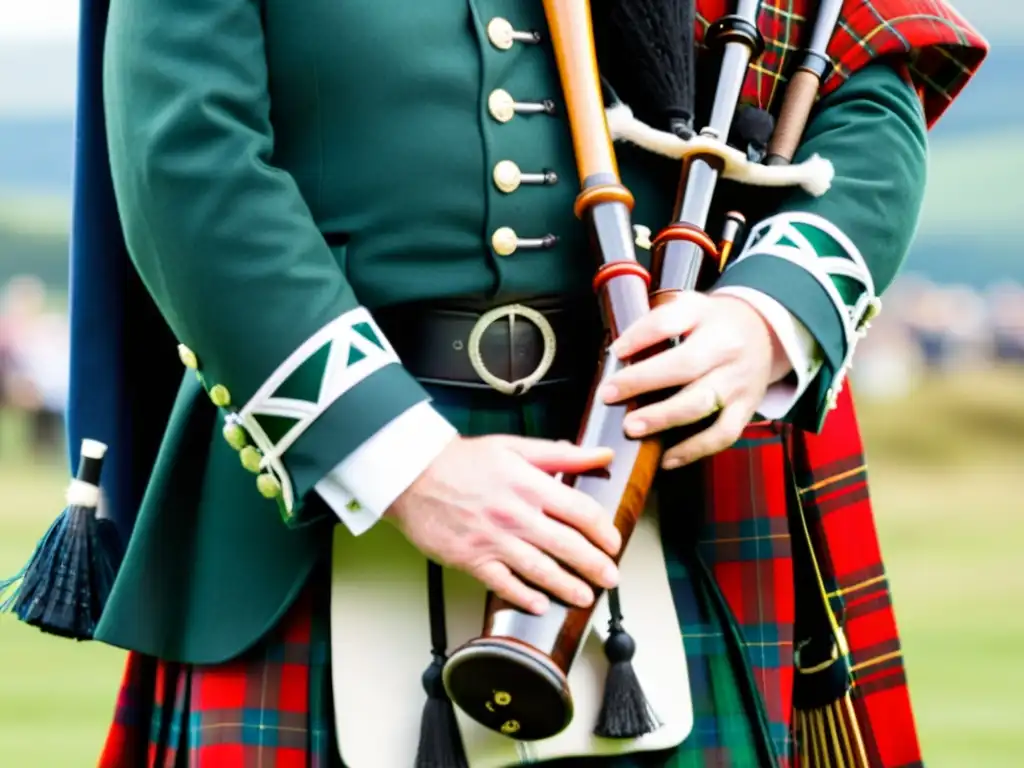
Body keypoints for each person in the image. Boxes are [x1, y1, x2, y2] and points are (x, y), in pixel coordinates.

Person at [39, 0, 985, 766]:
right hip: (323, 490)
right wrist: (402, 462)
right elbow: (188, 158)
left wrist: (764, 317)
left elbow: (865, 84)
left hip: (658, 469)